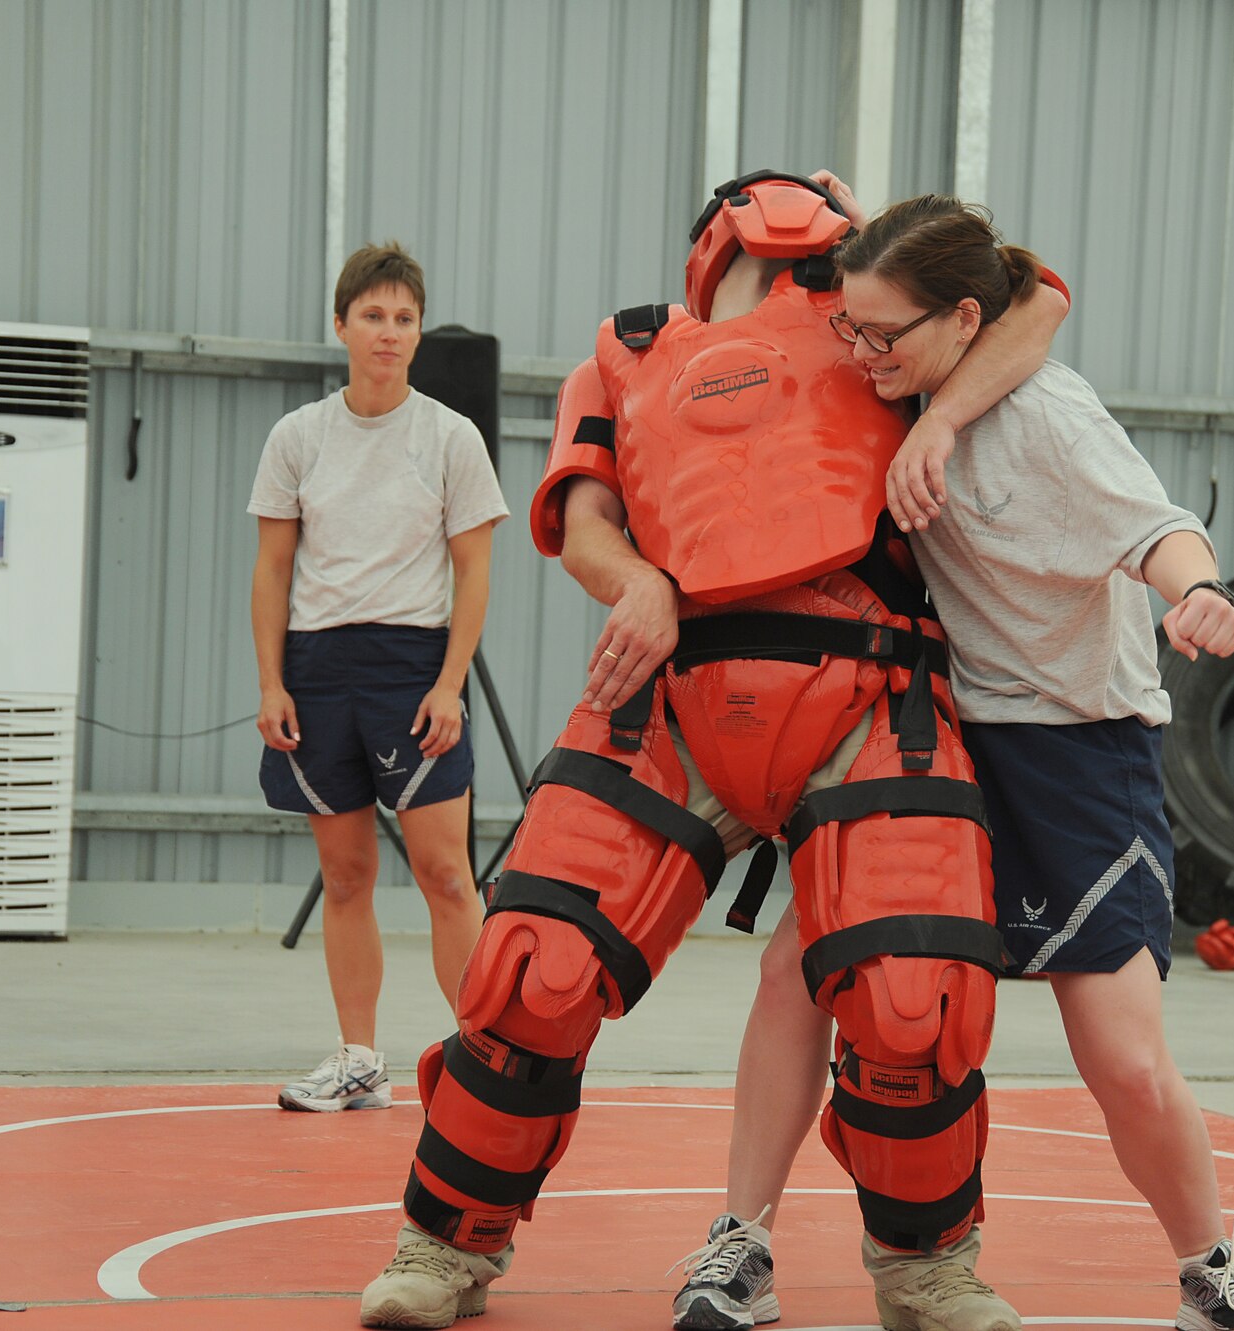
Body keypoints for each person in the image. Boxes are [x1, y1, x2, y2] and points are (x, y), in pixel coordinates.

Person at [357, 172, 1068, 1331]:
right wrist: (635, 579)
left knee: (910, 998)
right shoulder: (625, 352)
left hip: (866, 680)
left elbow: (1031, 299)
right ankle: (444, 1244)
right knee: (533, 967)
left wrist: (934, 416)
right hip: (668, 685)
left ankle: (927, 1265)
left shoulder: (884, 336)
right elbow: (581, 519)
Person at [673, 195, 1234, 1331]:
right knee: (795, 975)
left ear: (962, 321)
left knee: (1122, 1058)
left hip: (1074, 753)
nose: (856, 354)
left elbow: (1157, 526)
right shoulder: (883, 379)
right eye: (847, 329)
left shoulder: (1048, 417)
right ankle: (739, 1241)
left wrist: (1198, 591)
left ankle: (1210, 1264)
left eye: (881, 334)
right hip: (932, 732)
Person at [248, 242, 508, 1114]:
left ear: (419, 330)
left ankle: (484, 1062)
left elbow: (474, 572)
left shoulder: (449, 437)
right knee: (347, 874)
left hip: (413, 668)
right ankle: (360, 1058)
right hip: (318, 670)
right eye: (372, 315)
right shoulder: (298, 436)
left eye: (403, 318)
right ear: (342, 325)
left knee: (445, 874)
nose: (388, 332)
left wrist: (449, 683)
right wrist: (272, 682)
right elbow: (272, 570)